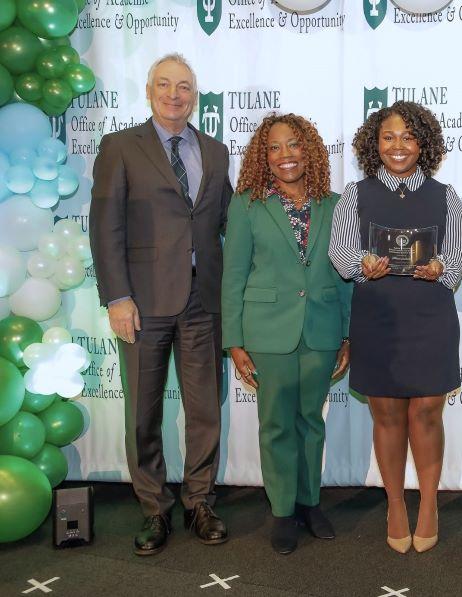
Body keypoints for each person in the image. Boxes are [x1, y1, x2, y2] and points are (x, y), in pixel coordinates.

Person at [89, 53, 232, 555]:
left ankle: (200, 501)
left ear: (196, 95)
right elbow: (105, 226)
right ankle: (154, 509)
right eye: (166, 85)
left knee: (204, 410)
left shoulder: (216, 152)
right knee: (142, 414)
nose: (176, 95)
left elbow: (226, 223)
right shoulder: (120, 147)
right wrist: (118, 296)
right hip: (143, 304)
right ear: (150, 91)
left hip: (203, 300)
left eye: (185, 87)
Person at [329, 101, 462, 554]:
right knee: (386, 415)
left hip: (429, 316)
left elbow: (461, 255)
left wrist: (441, 268)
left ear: (423, 144)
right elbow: (339, 253)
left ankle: (428, 503)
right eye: (388, 137)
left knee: (426, 412)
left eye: (408, 137)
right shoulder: (356, 193)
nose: (398, 146)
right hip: (378, 317)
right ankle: (395, 504)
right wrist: (361, 263)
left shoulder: (445, 195)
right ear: (375, 143)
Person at [221, 113, 351, 555]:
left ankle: (309, 502)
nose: (284, 156)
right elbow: (233, 274)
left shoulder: (335, 205)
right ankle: (281, 511)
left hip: (321, 327)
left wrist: (347, 334)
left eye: (293, 145)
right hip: (267, 331)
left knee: (311, 420)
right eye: (273, 148)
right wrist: (234, 340)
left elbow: (345, 274)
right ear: (263, 156)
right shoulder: (246, 204)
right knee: (276, 423)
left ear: (309, 150)